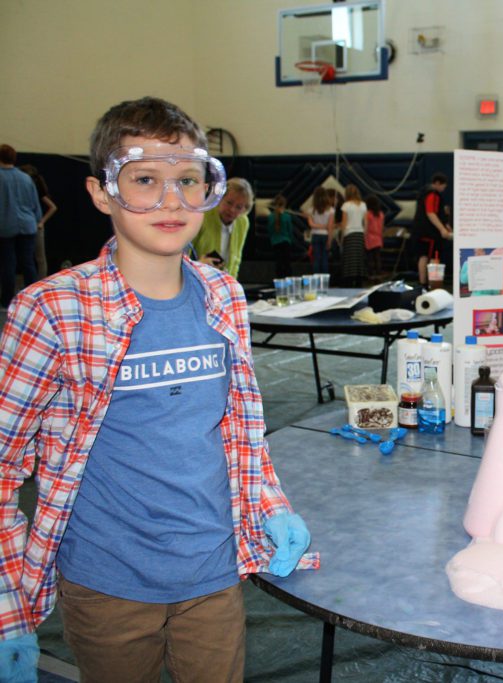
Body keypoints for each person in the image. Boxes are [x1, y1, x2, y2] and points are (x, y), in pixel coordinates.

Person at [0, 96, 316, 683]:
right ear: (102, 194)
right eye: (145, 180)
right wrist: (4, 611)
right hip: (107, 584)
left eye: (188, 180)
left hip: (214, 573)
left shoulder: (223, 296)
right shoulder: (53, 310)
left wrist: (271, 506)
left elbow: (240, 433)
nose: (171, 201)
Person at [0, 144, 42, 307]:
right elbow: (35, 203)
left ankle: (7, 300)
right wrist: (37, 220)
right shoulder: (26, 178)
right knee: (28, 263)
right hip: (28, 225)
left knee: (8, 264)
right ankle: (33, 298)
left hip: (6, 226)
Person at [193, 177, 254, 279]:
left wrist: (231, 285)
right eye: (229, 202)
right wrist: (199, 264)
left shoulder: (243, 222)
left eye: (239, 207)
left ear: (245, 208)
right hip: (197, 278)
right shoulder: (202, 215)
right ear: (220, 198)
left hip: (223, 283)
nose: (232, 210)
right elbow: (184, 253)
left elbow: (236, 260)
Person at [411, 173, 453, 286]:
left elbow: (437, 214)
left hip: (420, 231)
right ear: (438, 183)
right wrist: (442, 230)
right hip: (428, 232)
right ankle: (432, 284)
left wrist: (446, 227)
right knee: (432, 257)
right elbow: (431, 213)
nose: (444, 188)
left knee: (423, 256)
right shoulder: (432, 195)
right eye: (444, 185)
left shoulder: (423, 193)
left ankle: (424, 283)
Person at [19, 164, 58, 279]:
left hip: (35, 226)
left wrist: (41, 222)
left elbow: (53, 207)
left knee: (39, 258)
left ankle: (41, 282)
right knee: (29, 258)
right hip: (27, 225)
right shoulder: (25, 190)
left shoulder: (36, 189)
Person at [338, 184, 367, 286]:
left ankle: (349, 282)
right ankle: (359, 281)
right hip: (360, 235)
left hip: (349, 235)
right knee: (359, 259)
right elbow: (365, 223)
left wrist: (341, 238)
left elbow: (344, 223)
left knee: (349, 261)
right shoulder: (363, 205)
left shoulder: (346, 205)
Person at [305, 186, 335, 274]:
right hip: (325, 235)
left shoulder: (310, 210)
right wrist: (329, 240)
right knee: (325, 259)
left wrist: (318, 226)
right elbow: (330, 226)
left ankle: (316, 281)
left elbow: (311, 224)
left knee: (316, 259)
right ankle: (325, 282)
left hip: (315, 235)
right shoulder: (331, 210)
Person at [267, 194, 297, 278]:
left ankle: (279, 280)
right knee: (287, 263)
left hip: (275, 242)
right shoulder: (287, 217)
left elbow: (270, 231)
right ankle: (288, 280)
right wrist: (290, 240)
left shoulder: (270, 217)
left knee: (279, 263)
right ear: (284, 205)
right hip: (286, 242)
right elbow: (290, 231)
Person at [364, 194, 385, 280]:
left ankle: (371, 274)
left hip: (369, 237)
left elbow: (366, 226)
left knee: (370, 258)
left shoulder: (368, 214)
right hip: (378, 237)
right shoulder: (381, 214)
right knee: (377, 257)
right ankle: (378, 273)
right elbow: (382, 227)